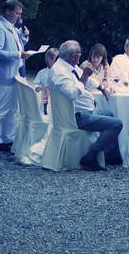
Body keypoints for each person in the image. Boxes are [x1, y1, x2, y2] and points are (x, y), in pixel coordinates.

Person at [51, 40, 123, 170]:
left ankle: (109, 156)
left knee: (109, 114)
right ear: (73, 56)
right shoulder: (59, 72)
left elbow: (89, 81)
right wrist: (84, 76)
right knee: (117, 124)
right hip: (76, 117)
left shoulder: (69, 67)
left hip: (84, 112)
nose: (81, 56)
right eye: (79, 54)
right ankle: (90, 156)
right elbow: (72, 94)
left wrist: (102, 87)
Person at [0, 0, 28, 152]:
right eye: (17, 13)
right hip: (3, 76)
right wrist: (19, 54)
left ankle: (8, 138)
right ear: (7, 11)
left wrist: (24, 37)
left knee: (11, 109)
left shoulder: (10, 26)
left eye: (20, 13)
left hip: (12, 74)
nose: (19, 16)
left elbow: (16, 44)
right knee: (0, 108)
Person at [33, 47, 59, 114]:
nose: (54, 61)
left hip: (56, 100)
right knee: (44, 114)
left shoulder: (60, 73)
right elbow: (35, 83)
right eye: (52, 59)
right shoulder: (42, 72)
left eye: (55, 59)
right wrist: (37, 88)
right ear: (47, 59)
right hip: (44, 98)